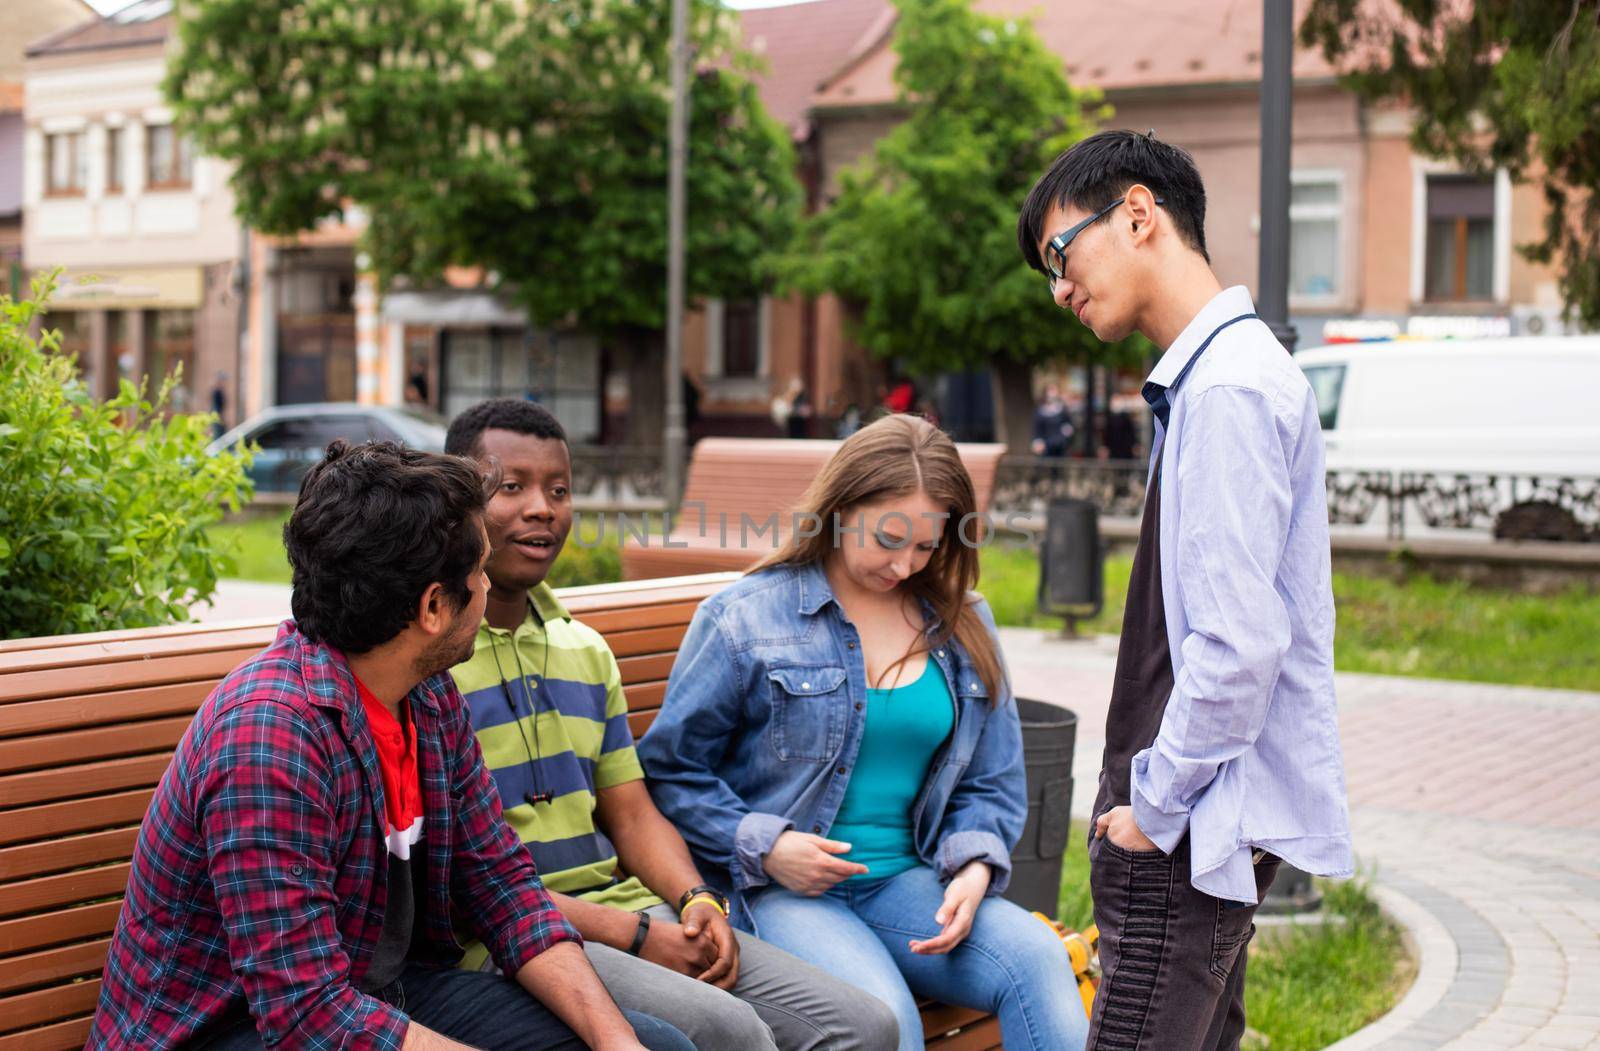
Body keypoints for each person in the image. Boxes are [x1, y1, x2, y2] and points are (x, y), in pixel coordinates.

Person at [88, 441, 690, 1051]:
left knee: (658, 1044)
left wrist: (620, 1045)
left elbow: (505, 892)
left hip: (374, 994)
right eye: (478, 571)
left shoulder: (427, 698)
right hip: (229, 1028)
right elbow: (305, 1016)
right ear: (433, 606)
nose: (486, 586)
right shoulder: (271, 739)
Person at [1017, 129, 1352, 1048]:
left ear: (1137, 212)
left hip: (1184, 829)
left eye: (1060, 252)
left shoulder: (1228, 389)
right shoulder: (1225, 375)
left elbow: (1240, 641)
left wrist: (1150, 810)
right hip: (1204, 822)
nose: (1059, 287)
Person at [443, 398, 899, 1051]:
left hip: (633, 909)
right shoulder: (437, 658)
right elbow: (474, 887)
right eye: (510, 487)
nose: (542, 507)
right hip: (523, 937)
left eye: (560, 489)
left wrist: (694, 900)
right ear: (459, 499)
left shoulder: (584, 649)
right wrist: (632, 934)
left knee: (865, 1025)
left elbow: (631, 812)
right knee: (729, 1029)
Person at [638, 414, 1090, 1051]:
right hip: (783, 896)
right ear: (840, 509)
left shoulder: (963, 623)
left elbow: (992, 781)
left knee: (1041, 961)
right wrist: (764, 845)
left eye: (927, 546)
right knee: (889, 1022)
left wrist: (973, 869)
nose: (905, 564)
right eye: (888, 537)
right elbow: (670, 771)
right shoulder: (746, 618)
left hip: (910, 885)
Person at [1030, 383, 1075, 457]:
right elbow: (1037, 429)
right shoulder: (1040, 411)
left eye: (1054, 390)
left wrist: (1065, 435)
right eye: (1050, 390)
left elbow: (1068, 426)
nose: (1052, 393)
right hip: (1045, 446)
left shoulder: (1062, 410)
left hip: (1060, 445)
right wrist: (1037, 441)